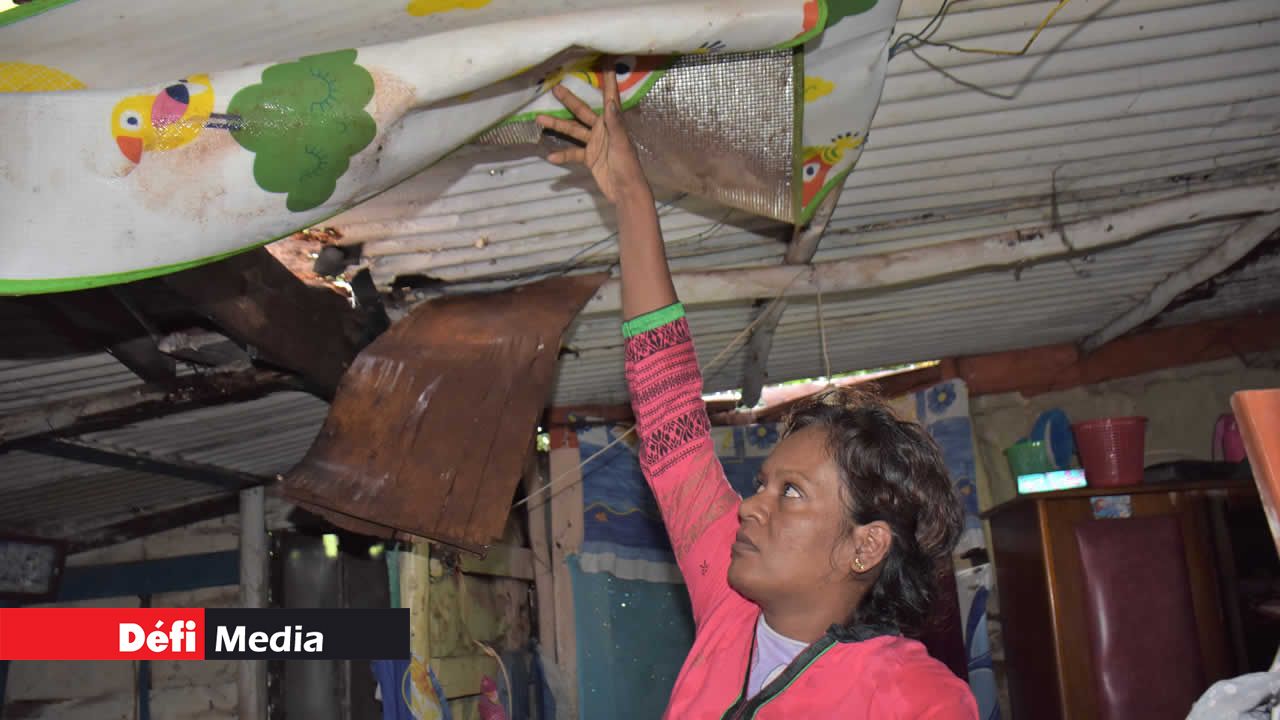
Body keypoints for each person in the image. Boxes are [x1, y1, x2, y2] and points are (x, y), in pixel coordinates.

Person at [536, 66, 978, 719]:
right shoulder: (732, 606)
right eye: (765, 484)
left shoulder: (917, 700)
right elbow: (671, 427)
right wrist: (632, 197)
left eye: (790, 494)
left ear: (866, 545)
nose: (749, 508)